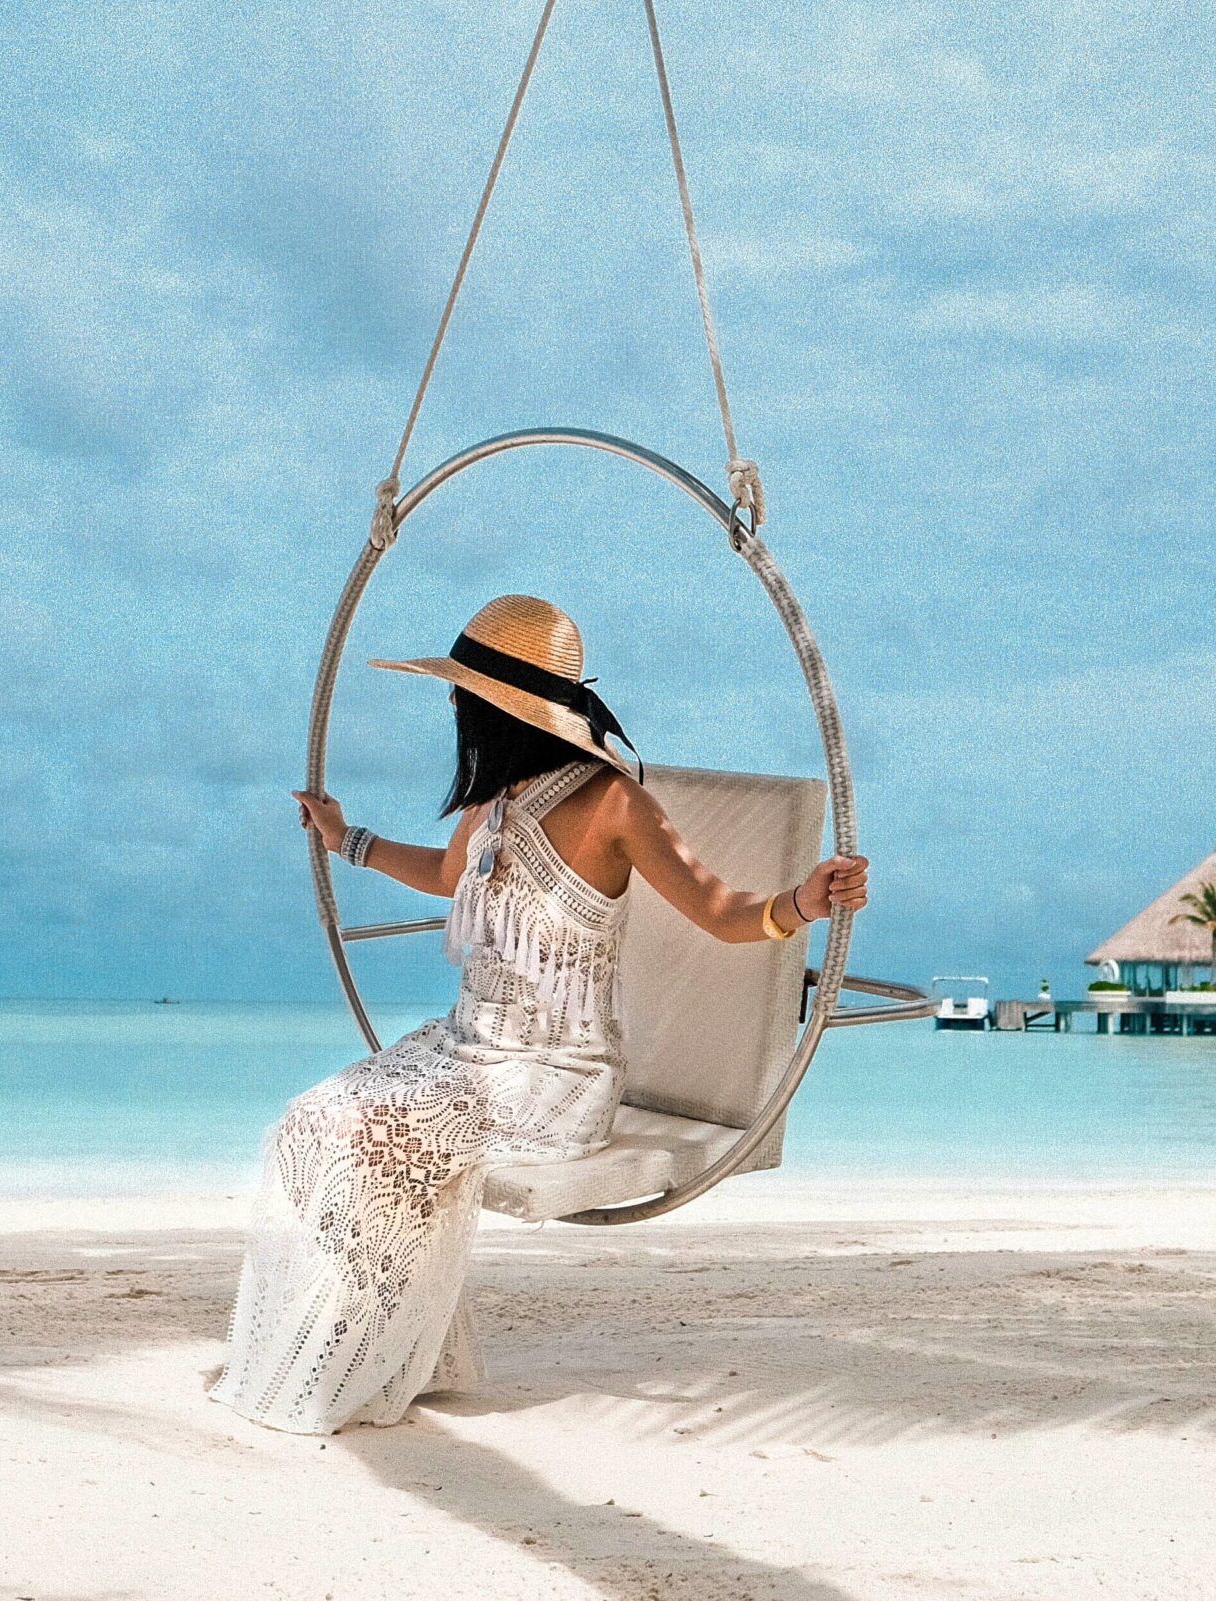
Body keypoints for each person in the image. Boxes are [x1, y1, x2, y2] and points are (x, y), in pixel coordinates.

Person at [210, 594, 870, 1434]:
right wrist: (349, 840)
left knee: (367, 1140)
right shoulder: (495, 800)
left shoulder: (613, 804)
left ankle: (354, 1355)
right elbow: (452, 877)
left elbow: (718, 909)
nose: (451, 704)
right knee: (304, 1127)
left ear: (499, 703)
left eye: (461, 690)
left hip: (553, 1077)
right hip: (464, 1049)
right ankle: (384, 1342)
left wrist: (801, 902)